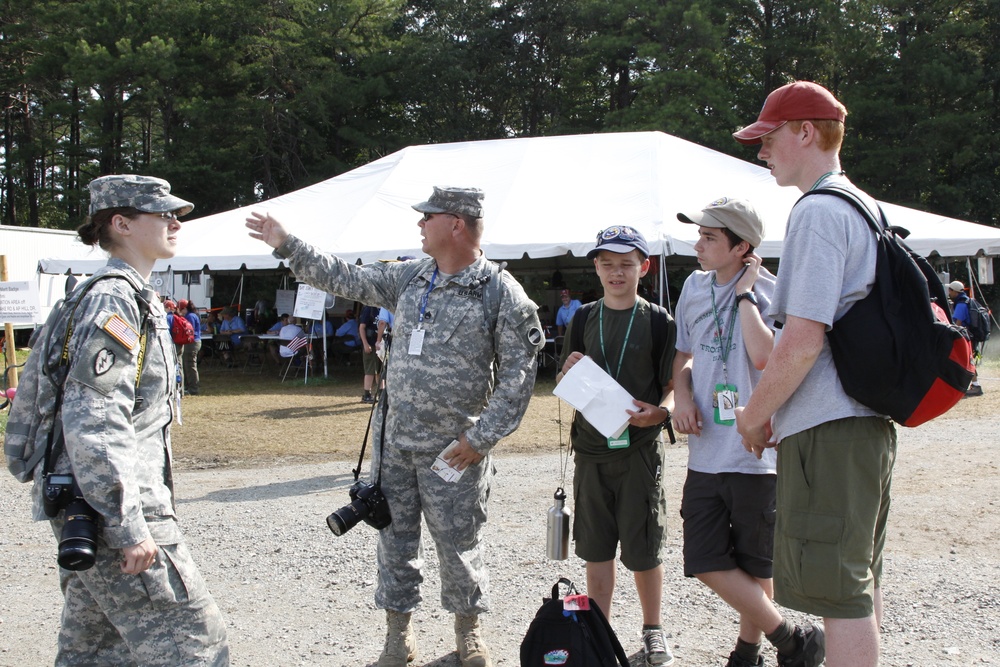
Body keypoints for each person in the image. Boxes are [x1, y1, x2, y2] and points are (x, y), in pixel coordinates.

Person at [245, 186, 543, 667]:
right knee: (394, 541)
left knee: (459, 544)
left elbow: (519, 377)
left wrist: (480, 439)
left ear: (457, 225)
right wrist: (287, 243)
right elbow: (346, 277)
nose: (420, 225)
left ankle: (468, 631)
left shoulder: (499, 292)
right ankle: (397, 636)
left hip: (453, 452)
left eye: (429, 217)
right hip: (395, 447)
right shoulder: (411, 276)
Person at [5, 174, 229, 664]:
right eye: (163, 214)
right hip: (113, 506)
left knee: (96, 650)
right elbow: (96, 422)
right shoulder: (114, 300)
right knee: (197, 645)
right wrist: (127, 525)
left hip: (94, 501)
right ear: (122, 223)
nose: (176, 222)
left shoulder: (126, 295)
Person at [733, 80, 895, 667]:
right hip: (861, 423)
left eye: (768, 138)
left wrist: (754, 416)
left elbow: (801, 340)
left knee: (839, 591)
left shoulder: (819, 211)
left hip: (830, 428)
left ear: (804, 132)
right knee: (855, 578)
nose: (762, 151)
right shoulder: (862, 206)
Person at [674, 198, 818, 667]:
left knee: (757, 564)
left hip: (756, 451)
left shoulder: (772, 291)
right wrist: (680, 394)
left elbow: (764, 357)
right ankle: (791, 638)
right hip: (705, 451)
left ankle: (749, 649)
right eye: (700, 235)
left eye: (710, 237)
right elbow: (683, 354)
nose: (698, 245)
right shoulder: (692, 288)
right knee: (703, 558)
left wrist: (744, 294)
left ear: (742, 248)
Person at [556, 226, 677, 667]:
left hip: (640, 452)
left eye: (626, 264)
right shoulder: (584, 318)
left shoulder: (659, 320)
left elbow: (673, 386)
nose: (616, 272)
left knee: (644, 548)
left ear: (644, 267)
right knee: (595, 548)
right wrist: (567, 369)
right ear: (596, 267)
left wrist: (661, 413)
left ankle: (652, 631)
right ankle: (598, 634)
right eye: (607, 263)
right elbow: (565, 381)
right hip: (590, 452)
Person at [947, 280, 984, 396]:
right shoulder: (966, 300)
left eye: (950, 290)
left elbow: (957, 323)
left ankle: (976, 386)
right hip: (971, 336)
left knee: (968, 361)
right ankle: (973, 385)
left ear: (955, 291)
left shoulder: (961, 304)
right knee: (968, 361)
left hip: (967, 337)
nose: (949, 292)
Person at [178, 299, 203, 395]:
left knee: (190, 365)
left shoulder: (190, 316)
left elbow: (189, 330)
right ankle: (189, 386)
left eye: (181, 309)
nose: (180, 312)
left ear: (184, 308)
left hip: (192, 343)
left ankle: (193, 388)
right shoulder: (191, 315)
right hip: (192, 342)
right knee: (187, 365)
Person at [359, 304, 382, 403]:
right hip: (370, 343)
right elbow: (362, 327)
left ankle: (381, 393)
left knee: (380, 370)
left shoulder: (384, 309)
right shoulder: (369, 309)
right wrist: (365, 344)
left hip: (381, 344)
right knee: (370, 370)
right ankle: (367, 394)